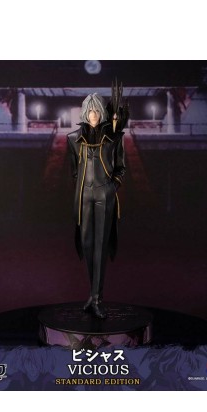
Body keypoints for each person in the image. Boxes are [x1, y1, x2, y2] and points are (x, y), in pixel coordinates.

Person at [67, 91, 128, 319]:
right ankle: (92, 295)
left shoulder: (114, 138)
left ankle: (97, 298)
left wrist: (112, 187)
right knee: (87, 244)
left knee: (101, 245)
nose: (93, 114)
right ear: (85, 112)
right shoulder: (73, 139)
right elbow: (75, 171)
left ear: (101, 113)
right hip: (84, 195)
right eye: (89, 110)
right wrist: (84, 187)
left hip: (105, 194)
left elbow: (121, 168)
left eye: (96, 110)